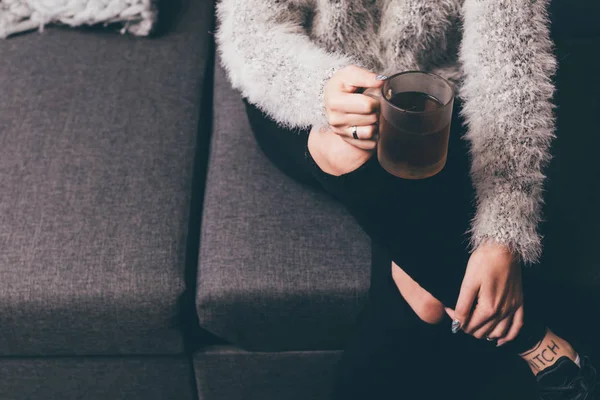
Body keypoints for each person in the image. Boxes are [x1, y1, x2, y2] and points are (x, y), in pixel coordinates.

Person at [215, 0, 598, 398]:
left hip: (430, 112)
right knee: (348, 147)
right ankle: (538, 344)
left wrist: (502, 235)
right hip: (306, 93)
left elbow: (511, 77)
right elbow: (252, 31)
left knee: (428, 299)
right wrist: (321, 87)